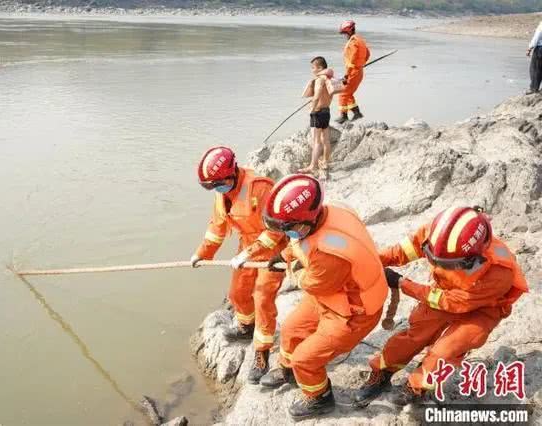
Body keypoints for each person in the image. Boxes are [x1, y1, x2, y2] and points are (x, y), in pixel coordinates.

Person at [354, 206, 528, 407]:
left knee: (447, 349)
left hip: (484, 308)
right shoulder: (438, 236)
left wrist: (403, 284)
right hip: (446, 292)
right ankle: (382, 372)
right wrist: (370, 262)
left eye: (448, 264)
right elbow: (401, 251)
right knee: (414, 335)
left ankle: (417, 386)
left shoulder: (499, 272)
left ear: (472, 258)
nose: (440, 266)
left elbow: (451, 302)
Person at [259, 174, 388, 419]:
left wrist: (293, 269)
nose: (285, 234)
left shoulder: (331, 255)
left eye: (287, 228)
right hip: (334, 295)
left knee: (304, 359)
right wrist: (286, 255)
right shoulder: (328, 214)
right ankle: (288, 371)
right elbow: (304, 244)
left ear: (303, 222)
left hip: (352, 312)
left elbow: (311, 283)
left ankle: (319, 398)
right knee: (290, 330)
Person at [191, 146, 287, 383]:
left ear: (230, 174)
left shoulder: (260, 188)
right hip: (247, 246)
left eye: (216, 185)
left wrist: (250, 253)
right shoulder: (220, 192)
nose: (215, 190)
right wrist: (202, 254)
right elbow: (217, 227)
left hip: (273, 251)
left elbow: (275, 231)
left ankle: (262, 352)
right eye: (211, 187)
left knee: (263, 297)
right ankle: (246, 326)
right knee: (237, 292)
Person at [299, 56, 341, 174]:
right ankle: (325, 162)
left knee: (316, 141)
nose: (312, 70)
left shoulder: (320, 80)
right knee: (326, 140)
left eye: (313, 68)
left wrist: (312, 108)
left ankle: (312, 166)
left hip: (317, 112)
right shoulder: (330, 79)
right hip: (326, 111)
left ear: (320, 68)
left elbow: (317, 95)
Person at [336, 20, 370, 124]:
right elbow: (368, 54)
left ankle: (345, 115)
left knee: (343, 92)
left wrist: (347, 74)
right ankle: (355, 113)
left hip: (353, 72)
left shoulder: (353, 42)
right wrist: (362, 64)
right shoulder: (360, 40)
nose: (344, 36)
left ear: (348, 31)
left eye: (345, 34)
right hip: (359, 71)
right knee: (348, 93)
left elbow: (352, 60)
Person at [527, 20, 542, 94]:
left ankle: (534, 88)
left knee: (535, 69)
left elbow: (537, 36)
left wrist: (530, 48)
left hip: (540, 49)